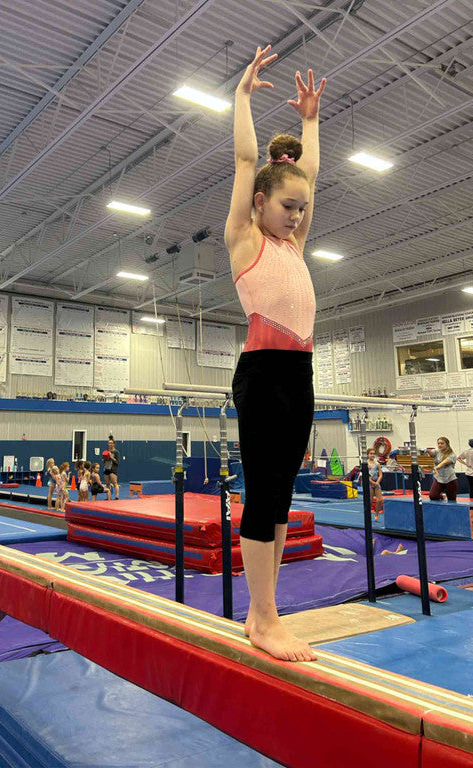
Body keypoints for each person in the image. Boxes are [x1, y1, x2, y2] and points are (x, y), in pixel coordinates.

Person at [226, 45, 325, 662]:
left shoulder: (292, 244)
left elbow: (307, 178)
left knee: (284, 492)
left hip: (301, 371)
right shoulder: (247, 239)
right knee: (264, 492)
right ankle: (261, 617)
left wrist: (311, 122)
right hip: (264, 373)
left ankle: (269, 612)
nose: (296, 216)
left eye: (302, 210)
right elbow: (243, 158)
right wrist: (241, 99)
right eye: (287, 207)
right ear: (260, 203)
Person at [428, 437, 457, 501]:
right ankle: (442, 496)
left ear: (447, 444)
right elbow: (430, 452)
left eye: (442, 443)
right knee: (433, 496)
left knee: (451, 499)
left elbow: (444, 463)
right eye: (438, 443)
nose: (440, 445)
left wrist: (436, 468)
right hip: (439, 479)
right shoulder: (436, 452)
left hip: (450, 479)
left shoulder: (452, 455)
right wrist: (426, 451)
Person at [367, 449, 383, 520]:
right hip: (369, 483)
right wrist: (373, 483)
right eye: (371, 453)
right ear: (368, 454)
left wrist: (377, 482)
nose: (372, 455)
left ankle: (376, 514)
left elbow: (380, 474)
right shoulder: (366, 463)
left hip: (376, 482)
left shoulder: (377, 464)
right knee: (370, 501)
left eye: (373, 454)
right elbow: (366, 475)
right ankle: (368, 514)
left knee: (380, 500)